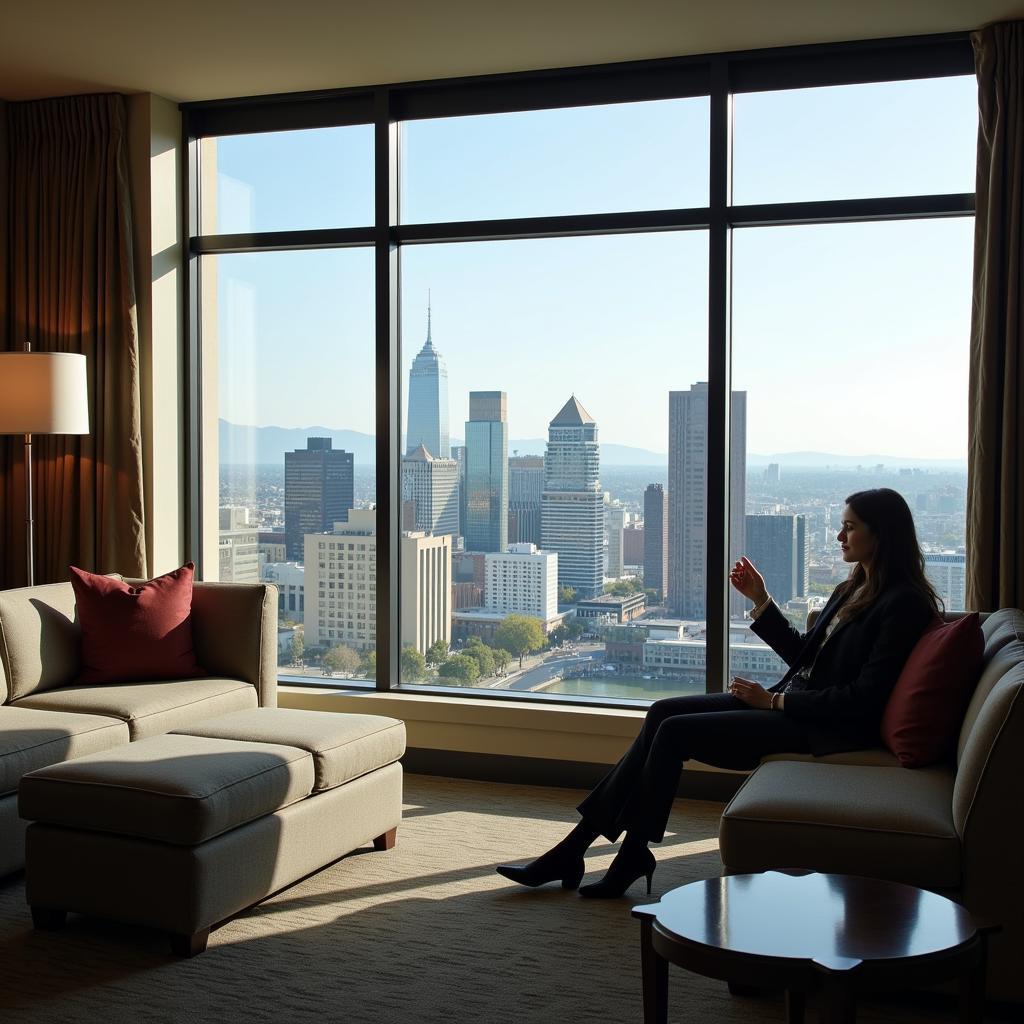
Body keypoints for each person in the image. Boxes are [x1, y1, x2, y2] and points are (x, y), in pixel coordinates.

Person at [496, 487, 941, 898]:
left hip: (822, 727)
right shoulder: (855, 587)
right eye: (841, 524)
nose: (840, 534)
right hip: (793, 708)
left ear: (881, 534)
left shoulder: (903, 603)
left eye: (850, 526)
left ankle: (619, 855)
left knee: (673, 735)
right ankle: (580, 850)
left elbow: (863, 699)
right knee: (661, 713)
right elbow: (808, 660)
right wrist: (762, 601)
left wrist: (775, 702)